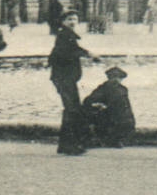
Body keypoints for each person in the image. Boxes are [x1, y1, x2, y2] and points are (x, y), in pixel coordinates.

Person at [48, 12, 94, 155]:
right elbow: (66, 53)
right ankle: (70, 145)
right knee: (72, 110)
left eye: (75, 19)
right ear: (63, 21)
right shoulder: (64, 35)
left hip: (66, 78)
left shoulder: (67, 35)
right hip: (64, 78)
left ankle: (65, 144)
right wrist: (86, 53)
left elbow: (70, 51)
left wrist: (85, 53)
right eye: (69, 19)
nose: (72, 21)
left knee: (71, 109)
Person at [85, 65, 137, 147]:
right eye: (114, 77)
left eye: (118, 77)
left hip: (118, 118)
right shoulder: (106, 88)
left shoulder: (121, 89)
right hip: (111, 117)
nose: (116, 80)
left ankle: (113, 139)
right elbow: (89, 101)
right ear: (109, 78)